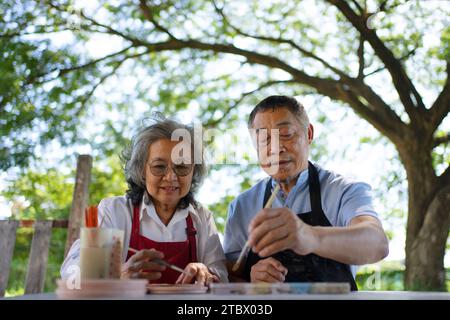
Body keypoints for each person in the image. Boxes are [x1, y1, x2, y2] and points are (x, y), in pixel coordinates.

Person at [224, 95, 389, 290]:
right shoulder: (242, 205)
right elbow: (230, 274)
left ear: (308, 134)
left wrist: (309, 236)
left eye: (285, 134)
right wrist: (251, 279)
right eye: (264, 140)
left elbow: (377, 244)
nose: (275, 148)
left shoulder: (344, 190)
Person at [61, 115, 227, 285]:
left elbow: (222, 277)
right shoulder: (115, 211)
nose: (170, 177)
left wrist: (207, 274)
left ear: (194, 172)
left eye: (182, 167)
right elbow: (71, 274)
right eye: (159, 167)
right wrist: (116, 276)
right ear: (141, 170)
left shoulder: (202, 218)